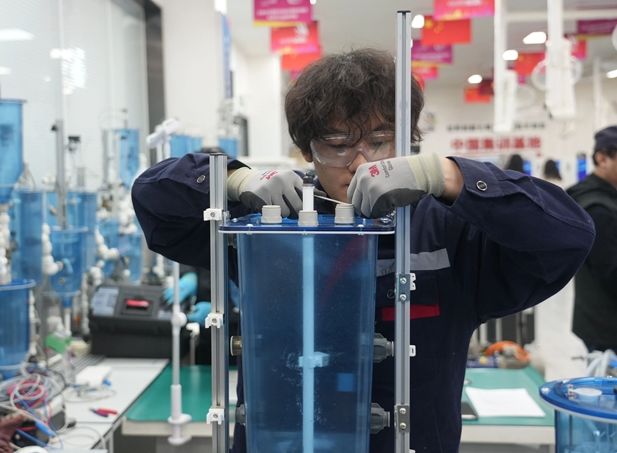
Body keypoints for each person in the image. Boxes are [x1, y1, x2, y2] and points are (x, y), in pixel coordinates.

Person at [132, 48, 595, 453]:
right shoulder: (271, 229)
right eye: (337, 145)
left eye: (379, 141)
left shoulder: (448, 233)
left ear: (410, 139)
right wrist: (232, 180)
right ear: (307, 151)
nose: (360, 163)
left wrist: (448, 175)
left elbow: (568, 235)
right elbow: (153, 200)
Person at [567, 125, 617, 354]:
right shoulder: (597, 206)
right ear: (602, 159)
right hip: (607, 326)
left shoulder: (605, 197)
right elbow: (611, 272)